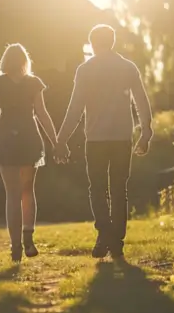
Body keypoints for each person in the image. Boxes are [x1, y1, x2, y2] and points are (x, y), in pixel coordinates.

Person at [55, 24, 153, 260]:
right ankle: (115, 240)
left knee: (97, 189)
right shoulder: (127, 68)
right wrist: (146, 131)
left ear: (92, 43)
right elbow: (141, 100)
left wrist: (62, 139)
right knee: (119, 190)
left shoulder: (85, 70)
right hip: (122, 138)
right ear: (112, 41)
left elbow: (75, 107)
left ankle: (104, 235)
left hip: (96, 139)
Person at [0, 44, 60, 262]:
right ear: (24, 61)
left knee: (12, 194)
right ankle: (28, 236)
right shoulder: (33, 83)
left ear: (4, 61)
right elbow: (42, 113)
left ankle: (16, 246)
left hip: (6, 139)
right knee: (28, 191)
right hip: (30, 137)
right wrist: (56, 142)